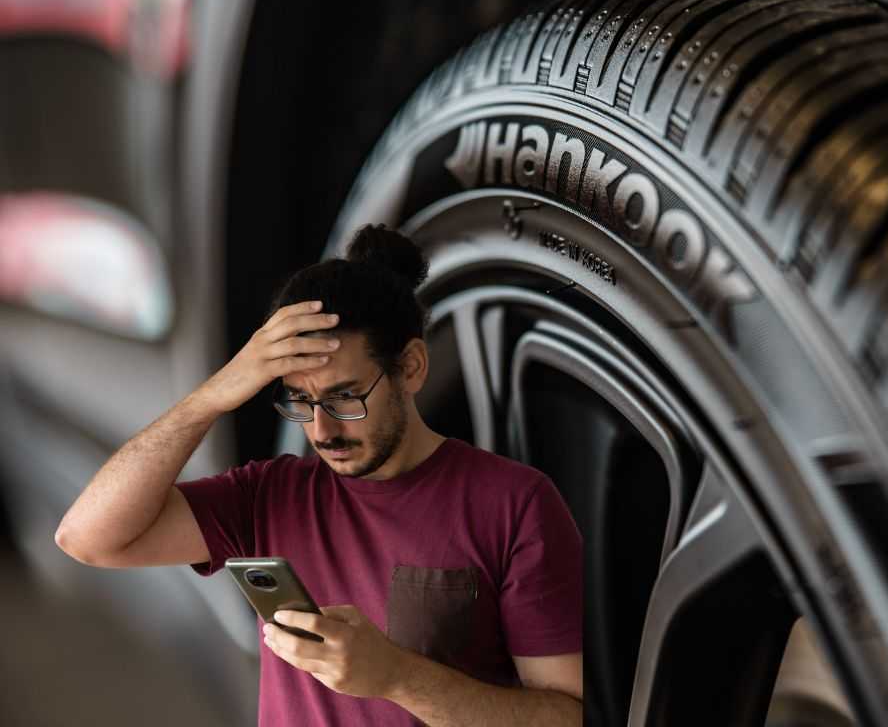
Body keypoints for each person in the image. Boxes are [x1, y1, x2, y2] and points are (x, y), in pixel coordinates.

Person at [54, 224, 584, 727]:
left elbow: (567, 717)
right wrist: (212, 395)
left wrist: (397, 677)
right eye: (301, 402)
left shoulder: (516, 504)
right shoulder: (267, 495)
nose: (323, 429)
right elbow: (86, 538)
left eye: (345, 398)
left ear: (412, 368)